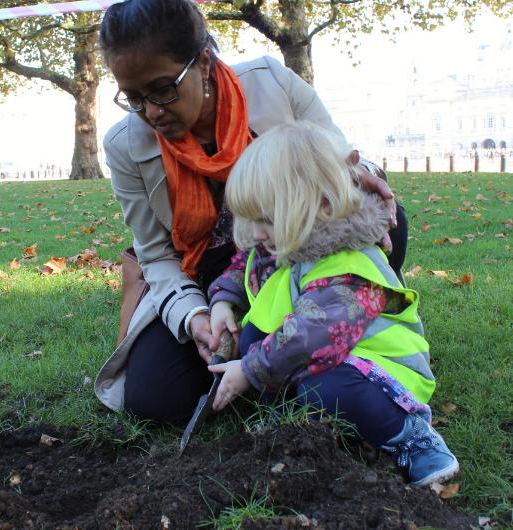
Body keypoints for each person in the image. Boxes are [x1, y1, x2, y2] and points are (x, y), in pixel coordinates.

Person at [94, 0, 407, 424]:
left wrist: (364, 173)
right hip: (205, 276)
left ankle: (333, 334)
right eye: (133, 98)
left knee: (390, 222)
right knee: (155, 399)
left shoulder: (271, 84)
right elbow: (156, 257)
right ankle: (273, 355)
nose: (151, 111)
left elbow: (337, 164)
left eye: (163, 89)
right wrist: (195, 316)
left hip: (293, 250)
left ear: (203, 62)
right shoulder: (125, 145)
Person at [208, 121, 459, 487]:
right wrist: (223, 301)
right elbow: (248, 262)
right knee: (257, 343)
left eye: (266, 220)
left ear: (319, 205)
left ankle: (411, 435)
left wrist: (250, 370)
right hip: (328, 357)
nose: (259, 232)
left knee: (329, 389)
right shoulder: (292, 236)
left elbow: (311, 335)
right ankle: (316, 423)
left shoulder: (349, 262)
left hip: (379, 372)